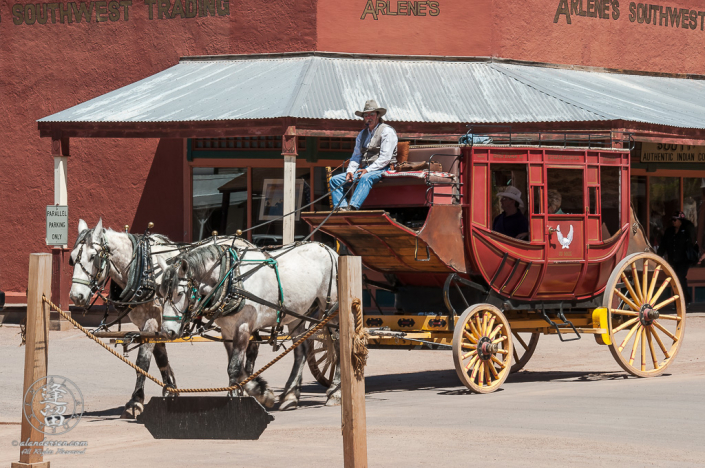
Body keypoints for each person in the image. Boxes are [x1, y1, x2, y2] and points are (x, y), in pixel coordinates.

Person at [329, 100, 398, 211]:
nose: (368, 117)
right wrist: (350, 171)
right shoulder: (362, 134)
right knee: (335, 180)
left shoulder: (387, 131)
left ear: (378, 116)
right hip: (365, 169)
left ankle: (352, 208)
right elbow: (356, 156)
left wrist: (368, 170)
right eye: (366, 115)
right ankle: (341, 208)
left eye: (372, 114)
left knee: (366, 178)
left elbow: (385, 158)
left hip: (383, 168)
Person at [657, 211, 697, 307]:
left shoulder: (687, 231)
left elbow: (692, 243)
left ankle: (683, 302)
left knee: (680, 279)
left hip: (683, 261)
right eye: (672, 220)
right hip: (673, 260)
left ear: (680, 221)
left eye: (675, 220)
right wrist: (658, 256)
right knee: (675, 280)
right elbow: (663, 245)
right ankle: (681, 301)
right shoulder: (669, 231)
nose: (673, 222)